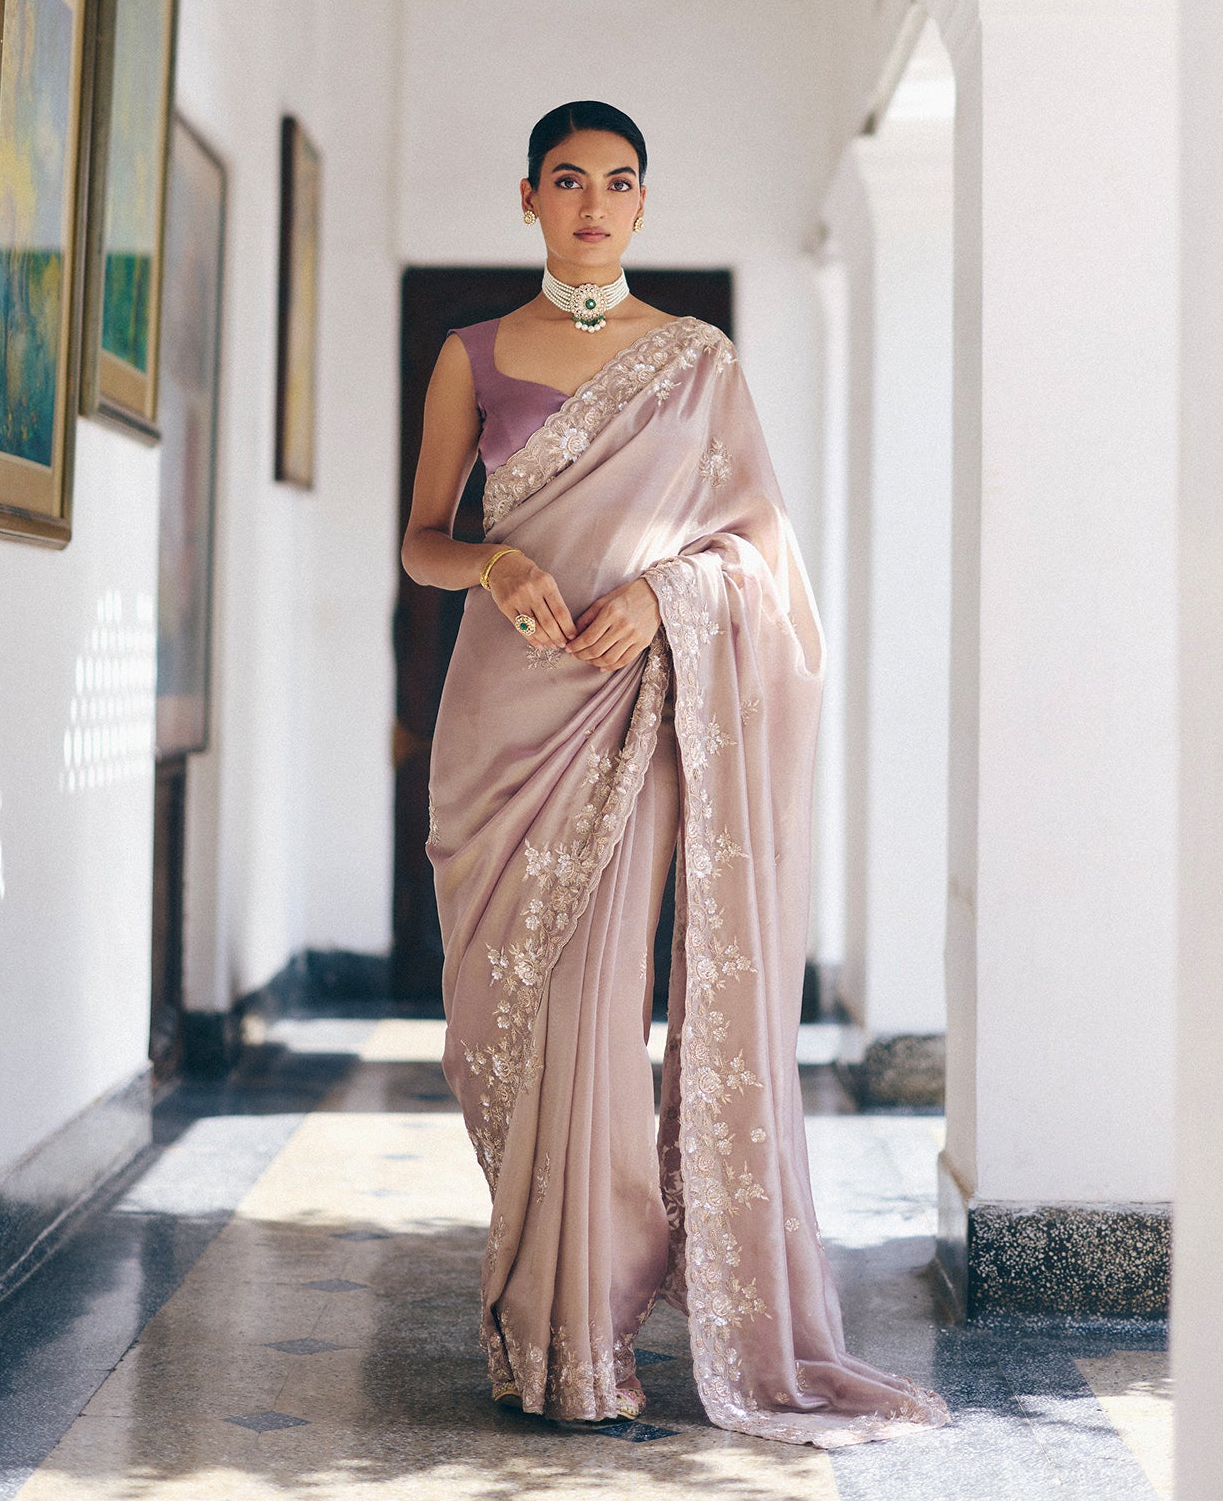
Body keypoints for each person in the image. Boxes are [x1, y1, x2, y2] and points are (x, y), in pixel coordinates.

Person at [401, 101, 948, 1446]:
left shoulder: (695, 363)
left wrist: (664, 596)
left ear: (645, 204)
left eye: (620, 183)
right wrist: (499, 559)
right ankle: (534, 1313)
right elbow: (422, 539)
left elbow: (764, 566)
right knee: (504, 1029)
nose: (594, 204)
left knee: (596, 1006)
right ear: (527, 195)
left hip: (633, 709)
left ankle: (582, 1346)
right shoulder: (473, 353)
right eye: (570, 181)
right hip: (499, 720)